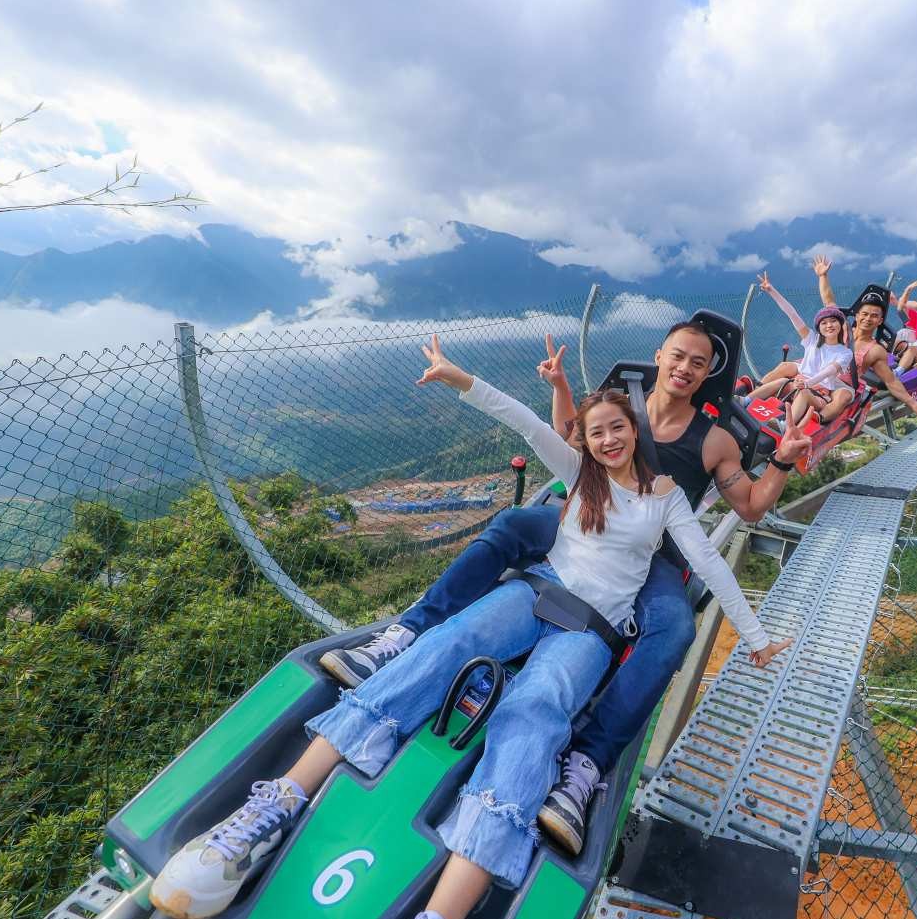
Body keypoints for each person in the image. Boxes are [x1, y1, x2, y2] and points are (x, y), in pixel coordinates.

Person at [150, 338, 794, 919]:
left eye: (615, 431)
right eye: (594, 433)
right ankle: (275, 804)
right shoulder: (582, 476)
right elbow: (525, 420)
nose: (606, 442)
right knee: (446, 645)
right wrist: (461, 379)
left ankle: (446, 909)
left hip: (592, 627)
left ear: (633, 433)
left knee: (537, 709)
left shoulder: (666, 498)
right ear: (589, 440)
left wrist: (756, 637)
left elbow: (706, 558)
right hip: (537, 594)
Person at [320, 322, 810, 855]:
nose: (685, 367)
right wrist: (557, 389)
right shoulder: (625, 409)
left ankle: (587, 761)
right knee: (511, 526)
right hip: (583, 518)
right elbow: (564, 444)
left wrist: (782, 459)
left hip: (652, 552)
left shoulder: (712, 440)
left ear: (709, 371)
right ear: (660, 356)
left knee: (673, 628)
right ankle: (406, 633)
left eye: (699, 361)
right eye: (678, 356)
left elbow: (751, 507)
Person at [812, 254, 917, 418]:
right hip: (816, 373)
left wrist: (913, 403)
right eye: (864, 314)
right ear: (857, 316)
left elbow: (890, 381)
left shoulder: (875, 350)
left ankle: (813, 421)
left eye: (873, 316)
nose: (867, 319)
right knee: (785, 368)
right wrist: (823, 276)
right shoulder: (841, 329)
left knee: (838, 399)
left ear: (880, 321)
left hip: (840, 386)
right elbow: (829, 301)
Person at [747, 271, 855, 426]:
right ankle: (746, 400)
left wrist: (807, 384)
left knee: (803, 393)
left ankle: (784, 425)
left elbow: (830, 371)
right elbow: (792, 314)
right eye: (824, 323)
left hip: (817, 393)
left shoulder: (845, 353)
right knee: (783, 380)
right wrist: (772, 291)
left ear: (840, 324)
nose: (829, 325)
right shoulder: (811, 339)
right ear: (819, 327)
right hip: (798, 384)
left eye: (833, 321)